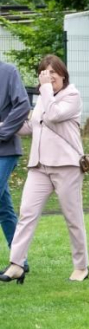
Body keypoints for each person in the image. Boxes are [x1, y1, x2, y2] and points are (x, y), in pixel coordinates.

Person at [1, 56, 88, 284]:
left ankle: (81, 266)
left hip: (66, 166)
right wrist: (6, 125)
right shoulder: (44, 98)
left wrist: (45, 89)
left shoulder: (72, 96)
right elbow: (31, 126)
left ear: (63, 74)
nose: (48, 77)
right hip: (39, 166)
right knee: (26, 214)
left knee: (73, 218)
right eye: (44, 73)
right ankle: (17, 263)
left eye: (52, 73)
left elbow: (54, 115)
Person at [0, 59, 30, 266]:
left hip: (5, 150)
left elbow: (23, 105)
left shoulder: (8, 72)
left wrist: (3, 131)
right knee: (4, 208)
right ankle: (20, 262)